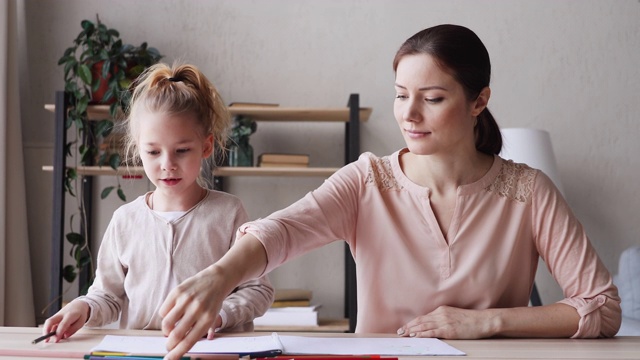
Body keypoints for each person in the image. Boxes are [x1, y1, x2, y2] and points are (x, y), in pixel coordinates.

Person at [158, 25, 622, 359]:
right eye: (401, 95)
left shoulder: (529, 191)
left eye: (433, 98)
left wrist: (486, 322)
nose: (409, 114)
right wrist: (220, 276)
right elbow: (283, 229)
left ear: (479, 100)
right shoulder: (366, 182)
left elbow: (600, 306)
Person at [42, 63, 274, 342]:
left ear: (206, 146)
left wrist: (220, 314)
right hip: (141, 350)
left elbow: (258, 290)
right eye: (153, 152)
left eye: (182, 150)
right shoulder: (125, 220)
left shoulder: (228, 213)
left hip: (212, 348)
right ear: (138, 150)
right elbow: (108, 295)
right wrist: (84, 307)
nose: (167, 164)